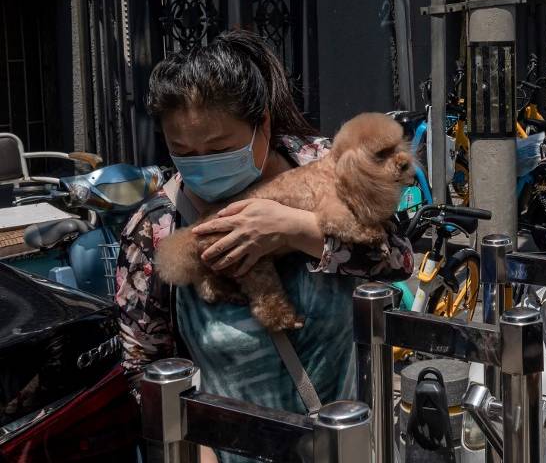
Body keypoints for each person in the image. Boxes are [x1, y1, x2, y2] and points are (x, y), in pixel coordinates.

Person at [116, 30, 412, 462]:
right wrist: (195, 445)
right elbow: (142, 368)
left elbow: (398, 259)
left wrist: (296, 229)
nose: (201, 162)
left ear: (264, 125)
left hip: (353, 443)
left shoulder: (326, 166)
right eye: (183, 150)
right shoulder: (157, 228)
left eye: (218, 148)